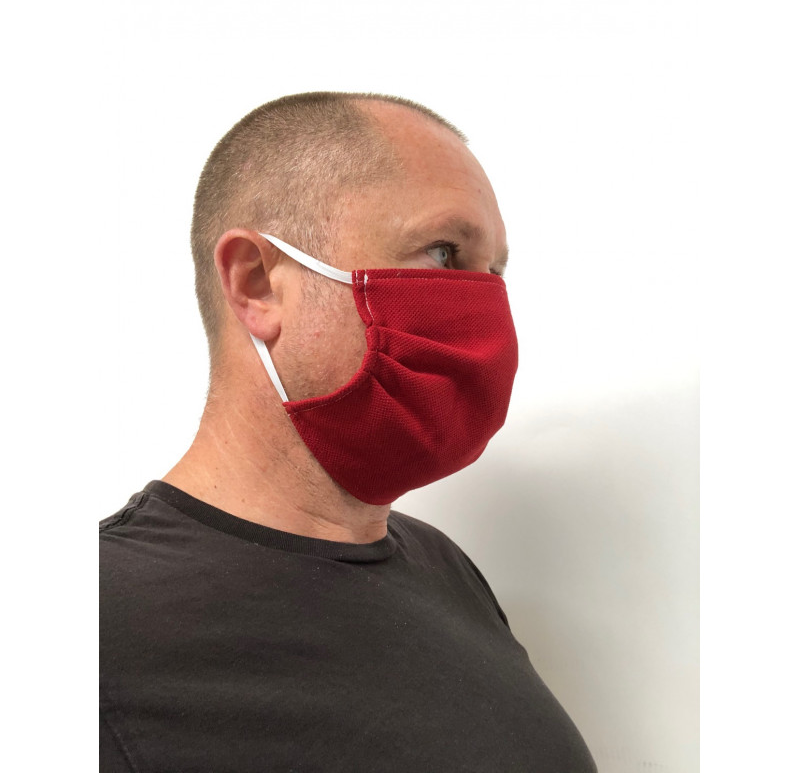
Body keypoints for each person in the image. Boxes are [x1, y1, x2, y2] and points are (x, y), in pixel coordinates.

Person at [100, 92, 596, 772]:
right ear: (257, 283)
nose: (484, 307)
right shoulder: (96, 621)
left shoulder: (443, 567)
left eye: (494, 271)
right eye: (444, 252)